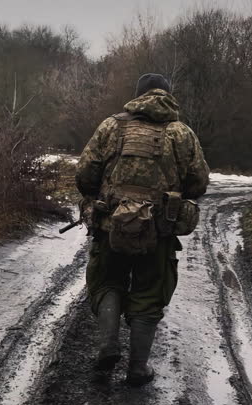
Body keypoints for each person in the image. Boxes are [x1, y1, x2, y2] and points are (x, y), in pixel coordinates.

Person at [75, 73, 209, 386]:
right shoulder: (182, 133)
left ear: (137, 95)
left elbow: (84, 175)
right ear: (168, 95)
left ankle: (108, 345)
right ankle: (138, 369)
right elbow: (199, 183)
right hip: (159, 232)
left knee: (107, 282)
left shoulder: (111, 126)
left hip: (111, 227)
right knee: (149, 295)